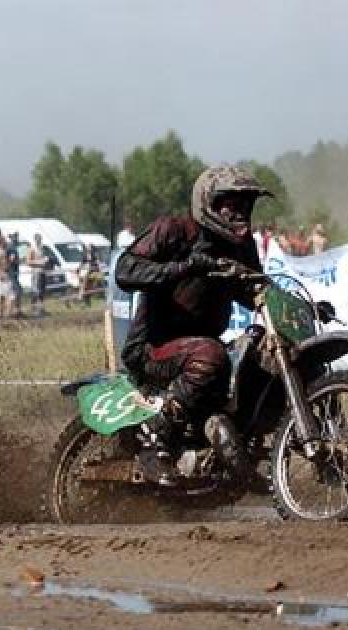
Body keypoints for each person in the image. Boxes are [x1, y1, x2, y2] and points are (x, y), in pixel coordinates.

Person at [115, 165, 272, 485]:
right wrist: (184, 267)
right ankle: (154, 441)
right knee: (211, 354)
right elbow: (126, 271)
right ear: (208, 203)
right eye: (230, 203)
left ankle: (242, 449)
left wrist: (297, 305)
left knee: (260, 348)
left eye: (245, 204)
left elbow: (255, 290)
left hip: (199, 346)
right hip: (152, 347)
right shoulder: (174, 230)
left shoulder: (242, 247)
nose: (239, 211)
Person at [25, 233, 49, 317]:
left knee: (42, 291)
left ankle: (41, 309)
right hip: (36, 272)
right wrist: (39, 262)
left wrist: (46, 261)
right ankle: (34, 310)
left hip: (43, 272)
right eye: (38, 239)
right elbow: (27, 261)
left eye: (40, 239)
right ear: (35, 239)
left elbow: (44, 258)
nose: (39, 240)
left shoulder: (41, 248)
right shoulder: (31, 249)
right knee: (36, 291)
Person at [3, 231, 23, 318]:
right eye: (14, 237)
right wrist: (20, 261)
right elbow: (12, 260)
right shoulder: (12, 248)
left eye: (16, 236)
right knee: (15, 292)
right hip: (12, 273)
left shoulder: (11, 247)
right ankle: (12, 312)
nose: (16, 238)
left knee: (16, 292)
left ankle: (15, 311)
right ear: (11, 238)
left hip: (12, 273)